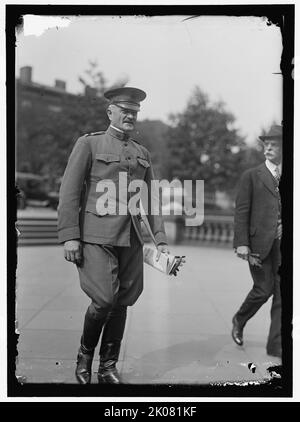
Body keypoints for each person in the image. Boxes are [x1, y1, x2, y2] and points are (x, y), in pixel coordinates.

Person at [57, 86, 169, 384]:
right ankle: (84, 356)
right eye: (124, 110)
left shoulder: (141, 153)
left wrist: (160, 239)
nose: (130, 115)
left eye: (134, 112)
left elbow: (151, 199)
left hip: (130, 237)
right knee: (104, 299)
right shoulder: (89, 144)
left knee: (122, 301)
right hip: (96, 235)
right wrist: (70, 235)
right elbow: (69, 191)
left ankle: (107, 367)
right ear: (110, 112)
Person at [231, 124, 282, 358]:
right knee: (263, 290)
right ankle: (239, 319)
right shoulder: (251, 176)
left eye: (274, 144)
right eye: (266, 144)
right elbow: (242, 211)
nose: (268, 148)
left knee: (283, 295)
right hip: (257, 245)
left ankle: (276, 346)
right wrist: (242, 242)